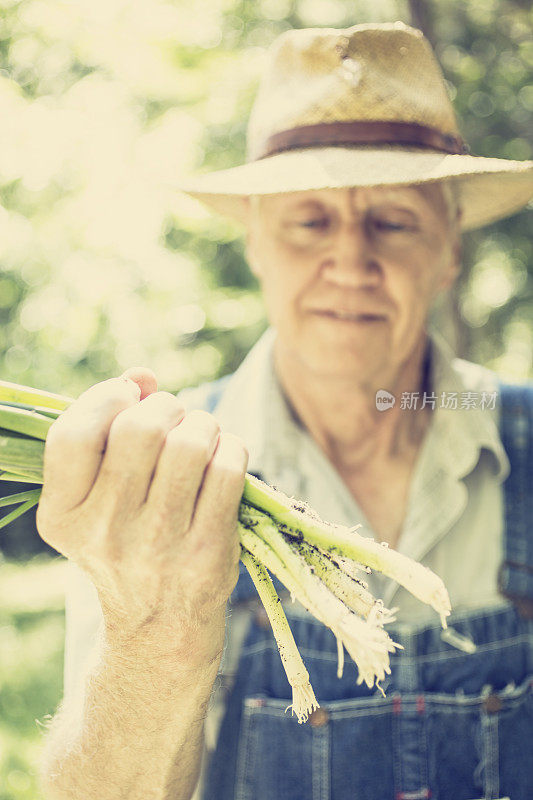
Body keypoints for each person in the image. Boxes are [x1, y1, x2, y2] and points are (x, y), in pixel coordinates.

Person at [38, 22, 533, 800]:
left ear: (449, 251)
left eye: (393, 220)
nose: (350, 262)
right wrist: (156, 638)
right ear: (257, 245)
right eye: (309, 221)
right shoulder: (158, 477)